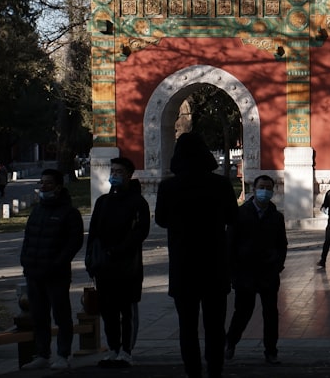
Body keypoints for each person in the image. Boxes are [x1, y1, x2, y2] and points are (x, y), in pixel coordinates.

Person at [155, 132, 239, 378]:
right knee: (215, 325)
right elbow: (233, 218)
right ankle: (215, 369)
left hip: (183, 263)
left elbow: (160, 219)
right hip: (214, 262)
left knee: (187, 326)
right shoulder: (221, 184)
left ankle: (192, 371)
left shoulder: (168, 186)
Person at [86, 156, 150, 367]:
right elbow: (93, 232)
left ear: (129, 175)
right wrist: (89, 258)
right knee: (108, 311)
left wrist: (119, 250)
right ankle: (113, 348)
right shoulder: (103, 202)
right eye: (112, 171)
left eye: (119, 172)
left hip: (127, 266)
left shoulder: (138, 202)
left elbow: (141, 232)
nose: (114, 175)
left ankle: (126, 350)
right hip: (103, 266)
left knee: (127, 310)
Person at [20, 169, 84, 370]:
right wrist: (25, 262)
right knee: (38, 316)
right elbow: (28, 238)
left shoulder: (69, 213)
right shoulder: (37, 210)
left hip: (56, 274)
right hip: (34, 272)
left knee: (61, 315)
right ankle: (42, 353)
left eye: (48, 183)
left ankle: (63, 353)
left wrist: (57, 263)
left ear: (58, 187)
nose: (43, 186)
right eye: (42, 182)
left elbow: (74, 242)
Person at [225, 175, 288, 365]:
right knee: (243, 311)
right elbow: (230, 244)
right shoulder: (239, 214)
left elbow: (282, 244)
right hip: (245, 272)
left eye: (269, 188)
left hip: (268, 272)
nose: (265, 191)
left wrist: (278, 264)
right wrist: (233, 272)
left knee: (271, 314)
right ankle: (231, 341)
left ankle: (271, 350)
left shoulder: (276, 217)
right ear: (254, 189)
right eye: (262, 187)